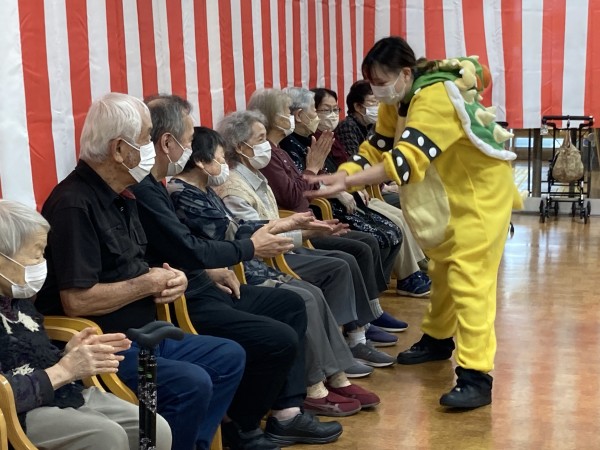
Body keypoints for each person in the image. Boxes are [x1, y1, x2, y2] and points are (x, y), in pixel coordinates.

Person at [306, 36, 522, 409]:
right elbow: (378, 147)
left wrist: (346, 181)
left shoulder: (435, 97)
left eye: (381, 81)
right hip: (453, 195)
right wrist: (345, 173)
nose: (377, 90)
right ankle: (438, 339)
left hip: (482, 196)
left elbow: (405, 161)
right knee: (444, 270)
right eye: (371, 83)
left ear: (405, 73)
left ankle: (476, 375)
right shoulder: (402, 99)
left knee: (471, 280)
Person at [130, 94, 343, 448]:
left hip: (198, 283)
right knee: (277, 337)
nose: (188, 149)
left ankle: (285, 413)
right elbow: (192, 247)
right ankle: (241, 424)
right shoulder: (149, 191)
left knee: (291, 305)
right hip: (176, 306)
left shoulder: (156, 187)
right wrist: (252, 247)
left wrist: (277, 228)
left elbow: (183, 248)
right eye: (188, 141)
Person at [35, 93, 246, 450]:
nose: (152, 147)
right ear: (120, 150)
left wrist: (171, 278)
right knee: (191, 382)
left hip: (148, 334)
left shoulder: (124, 194)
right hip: (109, 349)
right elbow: (77, 300)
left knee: (229, 356)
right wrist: (148, 283)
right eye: (147, 138)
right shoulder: (73, 204)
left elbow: (133, 267)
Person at [169, 121, 382, 417]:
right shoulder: (183, 192)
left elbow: (243, 226)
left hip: (244, 261)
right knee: (303, 297)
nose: (225, 163)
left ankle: (336, 376)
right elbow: (232, 232)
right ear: (201, 161)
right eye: (220, 158)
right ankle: (314, 386)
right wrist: (290, 226)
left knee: (313, 289)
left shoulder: (204, 188)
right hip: (235, 269)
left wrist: (291, 225)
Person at [213, 111, 399, 367]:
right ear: (240, 147)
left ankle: (358, 334)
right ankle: (348, 344)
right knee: (340, 264)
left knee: (351, 254)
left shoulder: (255, 171)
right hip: (270, 255)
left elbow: (277, 214)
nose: (267, 145)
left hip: (291, 235)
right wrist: (307, 231)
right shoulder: (234, 187)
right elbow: (260, 233)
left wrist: (308, 226)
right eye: (260, 139)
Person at [0, 199, 171, 450]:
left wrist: (69, 355)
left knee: (154, 428)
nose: (41, 263)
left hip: (58, 392)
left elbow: (29, 357)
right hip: (14, 413)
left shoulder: (17, 300)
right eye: (36, 254)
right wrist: (64, 370)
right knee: (106, 436)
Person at [250, 88, 407, 345]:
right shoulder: (271, 154)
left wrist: (319, 173)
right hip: (298, 225)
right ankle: (359, 328)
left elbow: (304, 188)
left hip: (307, 219)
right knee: (359, 248)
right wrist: (313, 169)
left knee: (383, 233)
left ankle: (369, 314)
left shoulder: (278, 150)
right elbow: (295, 196)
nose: (293, 115)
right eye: (287, 111)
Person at [312, 86, 431, 299]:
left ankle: (416, 267)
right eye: (325, 110)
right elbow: (337, 172)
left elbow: (358, 163)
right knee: (397, 218)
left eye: (335, 109)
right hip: (340, 201)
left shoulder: (336, 133)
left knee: (402, 216)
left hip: (359, 192)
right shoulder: (343, 129)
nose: (332, 115)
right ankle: (405, 277)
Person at [280, 86, 402, 285]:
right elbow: (305, 185)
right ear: (299, 115)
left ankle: (376, 288)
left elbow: (333, 169)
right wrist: (336, 189)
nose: (320, 116)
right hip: (323, 207)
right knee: (374, 239)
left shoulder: (313, 137)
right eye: (316, 109)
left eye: (335, 109)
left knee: (393, 231)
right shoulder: (288, 144)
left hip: (343, 197)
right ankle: (371, 292)